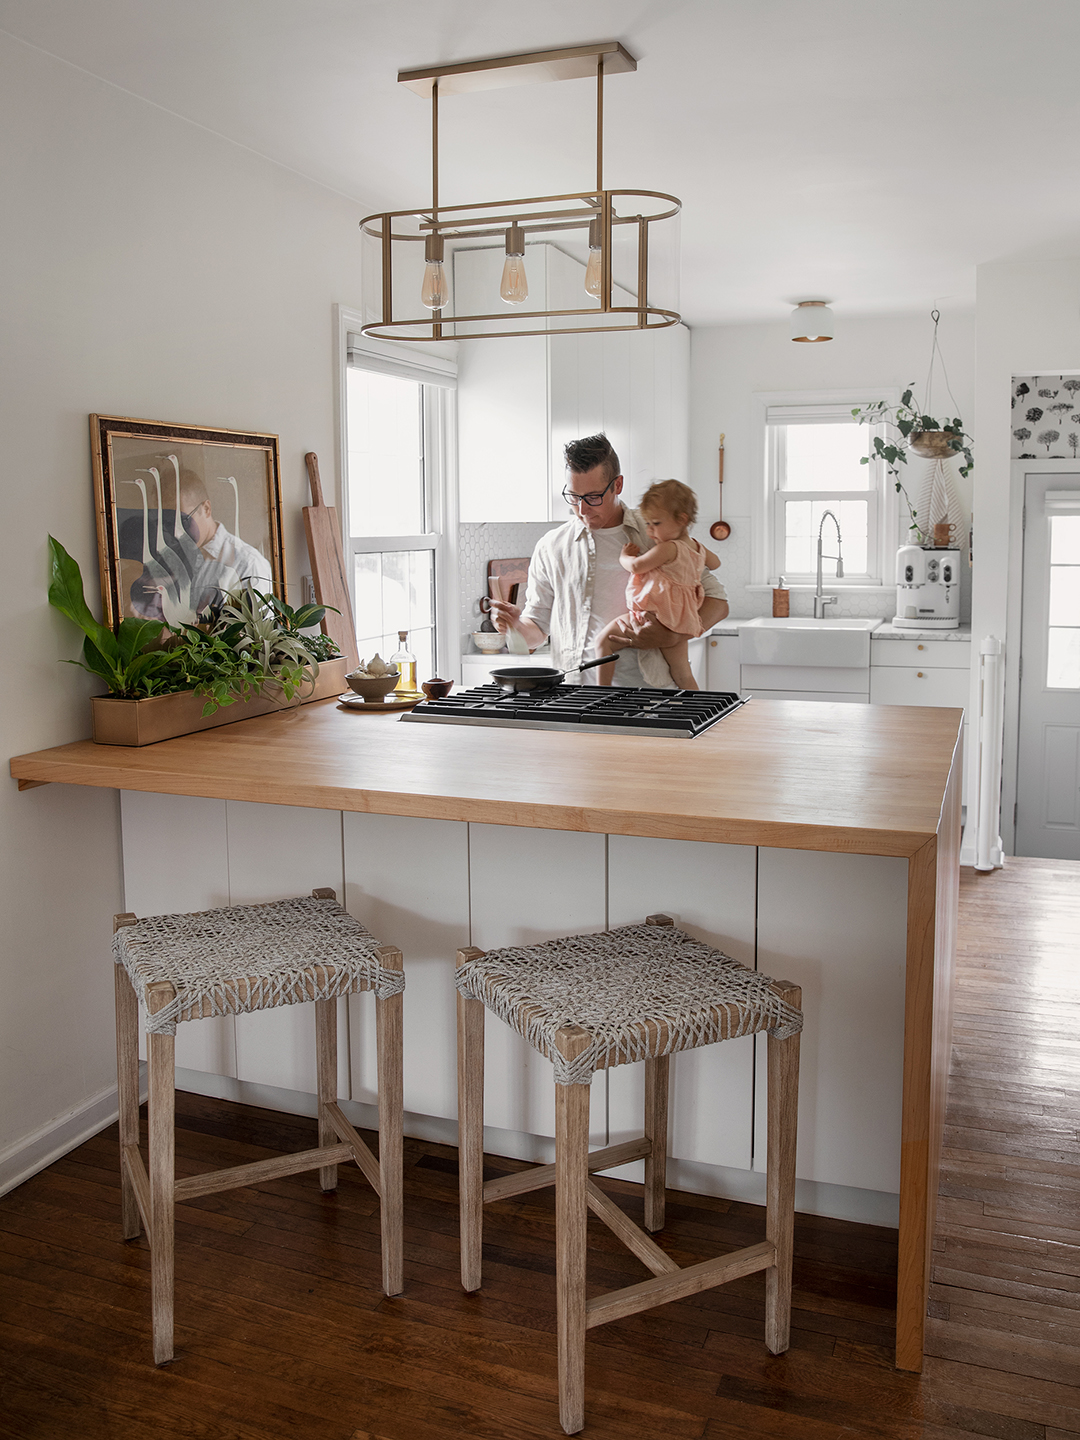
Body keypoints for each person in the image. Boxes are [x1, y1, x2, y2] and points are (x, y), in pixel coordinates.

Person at [488, 434, 728, 688]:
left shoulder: (655, 534)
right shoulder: (551, 547)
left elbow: (718, 603)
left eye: (593, 497)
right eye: (573, 496)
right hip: (575, 695)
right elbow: (537, 631)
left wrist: (673, 635)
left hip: (649, 697)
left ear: (618, 485)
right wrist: (515, 626)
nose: (582, 509)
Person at [594, 479, 721, 691]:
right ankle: (701, 710)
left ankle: (600, 694)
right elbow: (716, 563)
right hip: (681, 619)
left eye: (656, 523)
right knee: (682, 673)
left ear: (682, 520)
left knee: (603, 642)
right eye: (648, 524)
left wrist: (624, 556)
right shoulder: (698, 548)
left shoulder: (669, 548)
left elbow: (636, 566)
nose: (651, 531)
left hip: (655, 614)